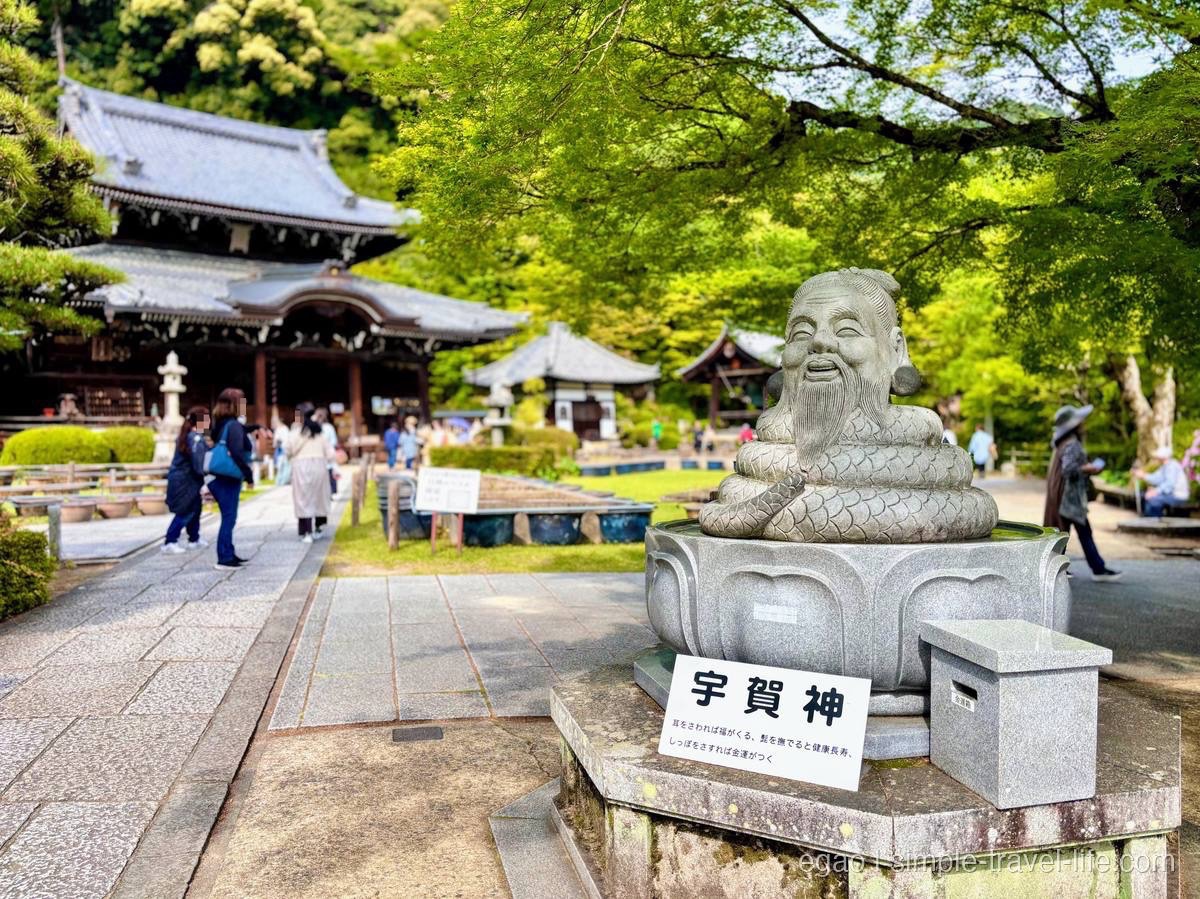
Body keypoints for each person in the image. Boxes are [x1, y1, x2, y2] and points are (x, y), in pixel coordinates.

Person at [1043, 405, 1121, 582]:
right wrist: (1090, 468)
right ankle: (1097, 569)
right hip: (1069, 498)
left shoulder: (1063, 442)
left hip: (1063, 496)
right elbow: (1069, 469)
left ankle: (1058, 568)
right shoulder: (1072, 443)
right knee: (1078, 532)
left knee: (1062, 533)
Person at [209, 387, 255, 570]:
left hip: (219, 476)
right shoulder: (233, 425)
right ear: (235, 405)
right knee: (229, 517)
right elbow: (236, 452)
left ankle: (229, 551)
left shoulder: (220, 423)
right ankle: (224, 557)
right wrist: (248, 475)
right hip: (228, 477)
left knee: (228, 517)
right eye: (242, 402)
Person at [162, 406, 210, 554]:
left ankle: (194, 539)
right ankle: (170, 541)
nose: (209, 421)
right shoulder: (194, 438)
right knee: (185, 511)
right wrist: (209, 477)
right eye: (206, 418)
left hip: (189, 480)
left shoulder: (193, 436)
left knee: (195, 509)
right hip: (185, 481)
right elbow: (198, 464)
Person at [287, 403, 336, 543]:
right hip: (319, 466)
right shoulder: (319, 431)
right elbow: (330, 452)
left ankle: (306, 531)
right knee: (320, 497)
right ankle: (319, 528)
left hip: (301, 466)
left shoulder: (295, 432)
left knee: (303, 499)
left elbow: (288, 449)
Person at [1132, 445, 1190, 517]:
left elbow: (1170, 484)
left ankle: (1155, 523)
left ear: (1163, 457)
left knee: (1153, 500)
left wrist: (1155, 491)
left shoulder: (1172, 466)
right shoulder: (1165, 466)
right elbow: (1156, 478)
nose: (1156, 458)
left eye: (1158, 457)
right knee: (1145, 495)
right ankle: (1149, 520)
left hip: (1178, 496)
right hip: (1171, 494)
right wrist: (1143, 475)